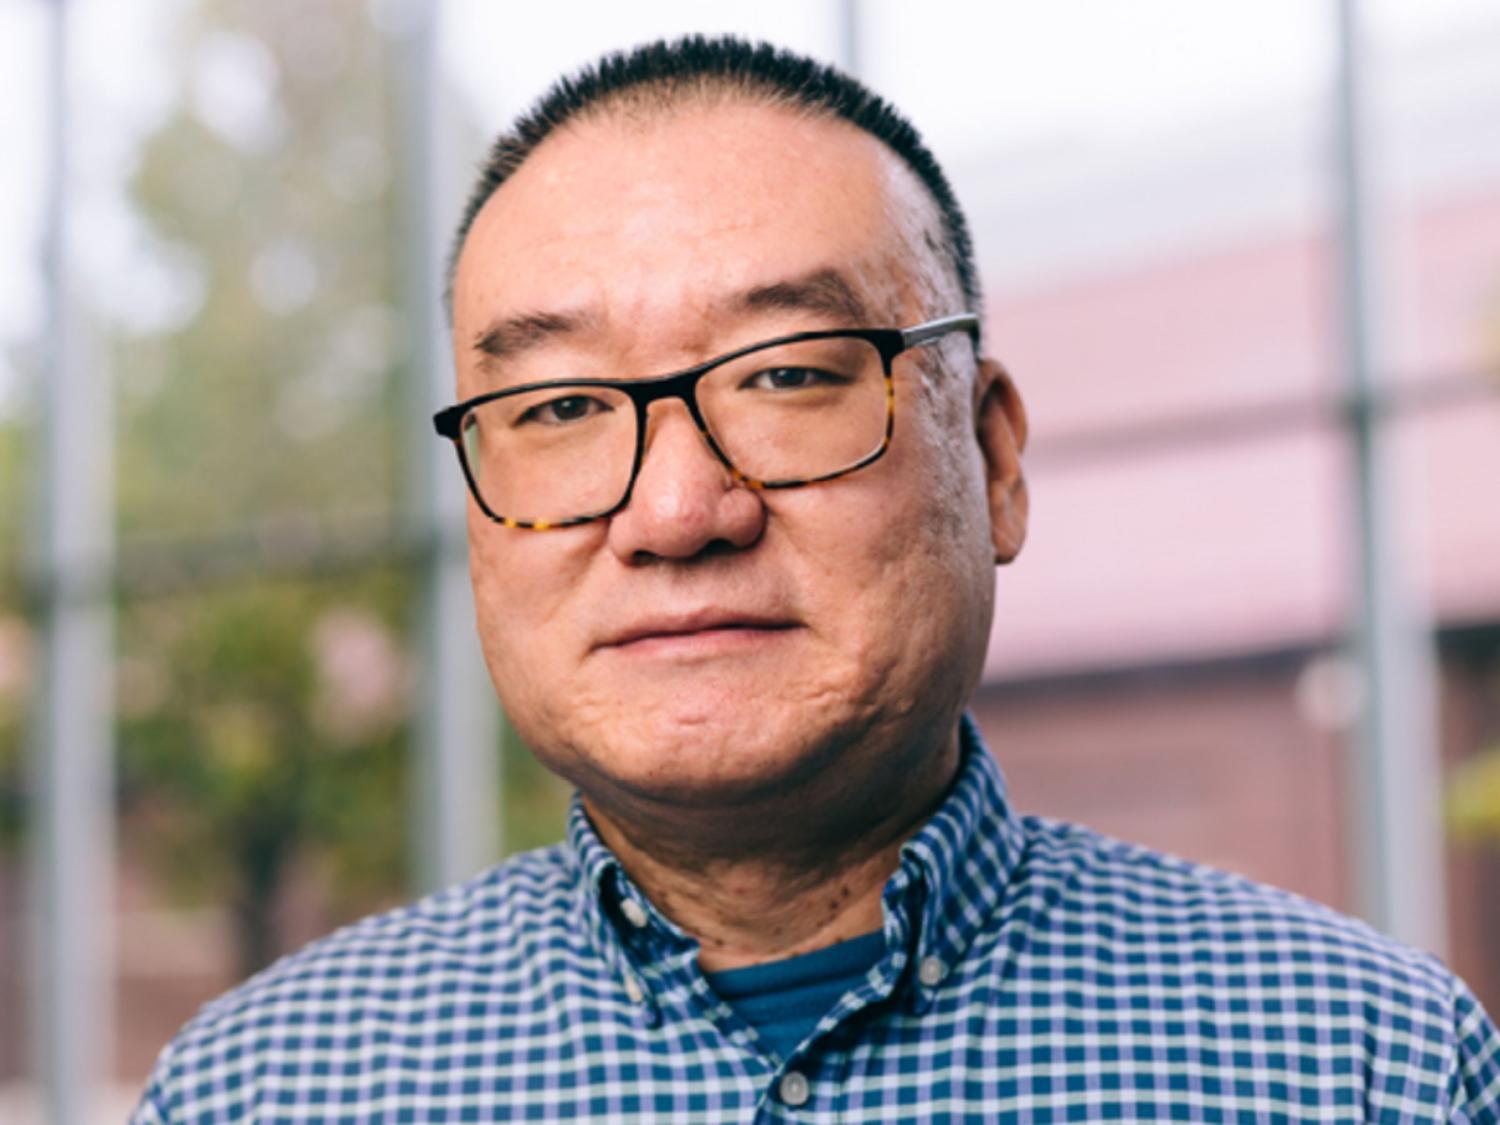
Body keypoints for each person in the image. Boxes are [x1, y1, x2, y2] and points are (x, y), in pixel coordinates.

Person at [135, 35, 1500, 1123]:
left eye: (787, 374)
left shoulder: (1365, 1068)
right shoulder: (260, 1091)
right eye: (556, 407)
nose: (676, 511)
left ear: (997, 459)